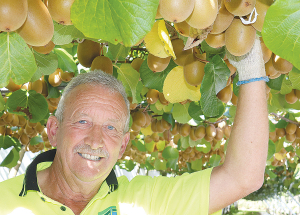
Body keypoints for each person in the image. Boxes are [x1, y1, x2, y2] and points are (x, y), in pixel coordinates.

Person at [0, 37, 269, 215]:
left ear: (124, 144)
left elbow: (243, 177)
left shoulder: (143, 202)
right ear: (53, 130)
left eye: (111, 128)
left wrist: (251, 67)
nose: (95, 140)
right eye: (82, 121)